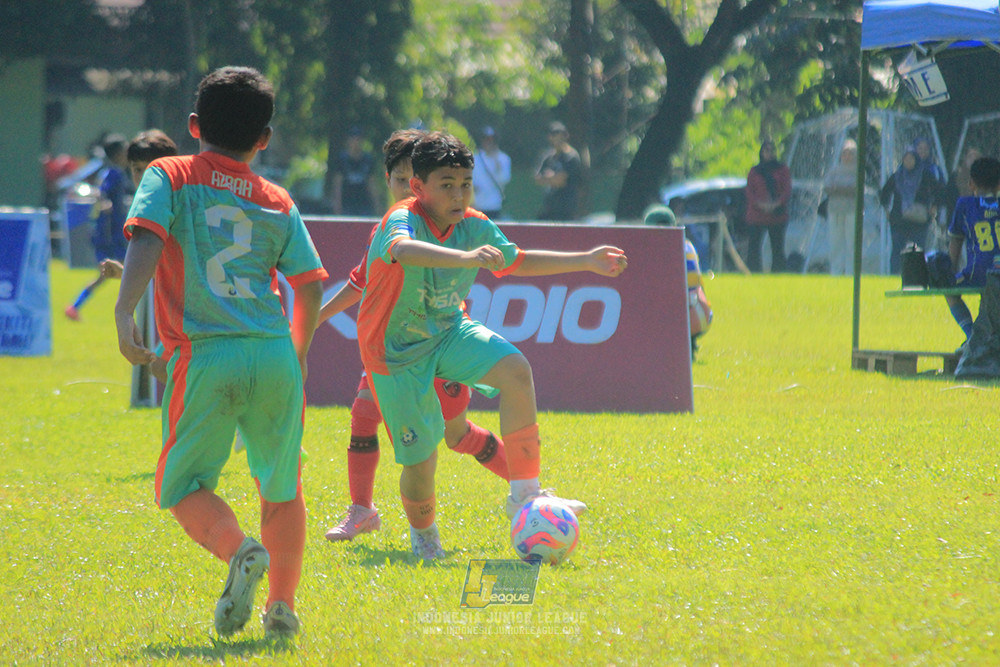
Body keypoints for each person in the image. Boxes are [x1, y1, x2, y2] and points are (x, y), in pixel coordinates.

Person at [113, 66, 327, 637]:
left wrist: (122, 310)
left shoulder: (170, 173)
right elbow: (308, 284)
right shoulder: (278, 200)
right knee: (282, 487)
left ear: (192, 125)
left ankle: (240, 551)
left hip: (204, 355)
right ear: (265, 139)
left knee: (181, 486)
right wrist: (299, 353)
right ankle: (281, 605)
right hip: (274, 353)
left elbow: (148, 236)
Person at [357, 130, 627, 559]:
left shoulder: (475, 225)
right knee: (422, 460)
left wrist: (586, 260)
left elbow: (516, 260)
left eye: (465, 184)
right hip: (395, 351)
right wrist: (465, 259)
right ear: (418, 187)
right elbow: (403, 251)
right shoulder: (400, 219)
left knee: (515, 370)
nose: (459, 194)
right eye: (447, 185)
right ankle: (424, 537)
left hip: (447, 332)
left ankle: (524, 495)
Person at [318, 128, 510, 543]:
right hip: (395, 349)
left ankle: (529, 491)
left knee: (456, 435)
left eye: (413, 180)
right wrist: (317, 317)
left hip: (438, 346)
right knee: (363, 413)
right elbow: (360, 282)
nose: (408, 189)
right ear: (388, 181)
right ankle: (362, 510)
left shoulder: (443, 222)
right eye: (400, 180)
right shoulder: (391, 229)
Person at [98, 129, 179, 383]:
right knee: (161, 369)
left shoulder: (171, 207)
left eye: (152, 169)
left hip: (200, 328)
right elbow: (168, 268)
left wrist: (123, 310)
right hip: (184, 326)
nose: (144, 177)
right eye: (137, 169)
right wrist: (125, 273)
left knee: (163, 370)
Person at [65, 134, 131, 320]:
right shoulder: (115, 174)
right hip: (112, 235)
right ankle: (133, 314)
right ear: (118, 154)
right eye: (125, 152)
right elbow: (104, 196)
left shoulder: (107, 173)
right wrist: (107, 205)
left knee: (107, 276)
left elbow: (100, 194)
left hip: (110, 234)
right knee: (133, 273)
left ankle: (75, 306)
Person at [643, 204, 712, 359]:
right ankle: (689, 344)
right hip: (701, 315)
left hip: (671, 320)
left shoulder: (648, 250)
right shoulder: (688, 246)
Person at [945, 156, 1000, 343]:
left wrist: (949, 273)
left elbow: (955, 243)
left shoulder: (965, 205)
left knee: (949, 290)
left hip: (978, 274)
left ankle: (971, 336)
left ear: (971, 183)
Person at [880, 149, 938, 274]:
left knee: (918, 251)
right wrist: (886, 210)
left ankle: (918, 275)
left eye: (911, 159)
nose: (908, 162)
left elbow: (939, 191)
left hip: (919, 221)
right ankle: (894, 275)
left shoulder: (925, 175)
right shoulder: (897, 176)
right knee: (897, 250)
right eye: (906, 159)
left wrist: (934, 207)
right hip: (899, 220)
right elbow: (884, 193)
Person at [744, 140, 792, 273]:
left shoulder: (782, 170)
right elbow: (749, 191)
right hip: (757, 215)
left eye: (772, 150)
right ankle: (754, 273)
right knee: (754, 247)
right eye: (766, 150)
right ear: (761, 153)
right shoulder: (754, 171)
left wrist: (775, 204)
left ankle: (778, 273)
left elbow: (786, 190)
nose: (769, 153)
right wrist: (761, 205)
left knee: (777, 248)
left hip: (777, 215)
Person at [822, 139, 860, 275]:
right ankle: (835, 273)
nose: (847, 156)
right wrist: (843, 189)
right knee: (835, 243)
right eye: (845, 153)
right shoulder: (834, 170)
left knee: (852, 244)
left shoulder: (858, 171)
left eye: (850, 153)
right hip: (835, 210)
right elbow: (827, 187)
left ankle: (851, 273)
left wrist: (838, 189)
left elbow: (855, 189)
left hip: (852, 211)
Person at [534, 121, 583, 221]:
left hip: (566, 210)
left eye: (560, 135)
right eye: (554, 135)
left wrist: (548, 177)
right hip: (550, 208)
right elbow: (537, 178)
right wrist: (552, 178)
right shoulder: (548, 157)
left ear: (566, 136)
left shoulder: (572, 157)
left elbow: (561, 181)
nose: (557, 139)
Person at [331, 125, 378, 216]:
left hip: (364, 205)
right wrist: (337, 207)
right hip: (346, 205)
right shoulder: (341, 160)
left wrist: (377, 206)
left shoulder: (368, 160)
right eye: (353, 139)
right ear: (348, 141)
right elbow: (337, 185)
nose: (356, 142)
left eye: (358, 139)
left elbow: (372, 184)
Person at [471, 126, 511, 220]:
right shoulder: (474, 158)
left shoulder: (503, 158)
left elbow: (505, 179)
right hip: (477, 204)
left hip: (494, 204)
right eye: (486, 139)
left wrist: (497, 163)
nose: (489, 143)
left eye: (491, 140)